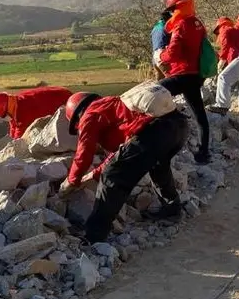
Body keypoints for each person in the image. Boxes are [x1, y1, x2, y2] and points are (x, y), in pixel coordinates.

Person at [58, 91, 188, 243]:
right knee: (158, 166)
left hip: (154, 132)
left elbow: (83, 155)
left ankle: (93, 236)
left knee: (112, 177)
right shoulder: (112, 104)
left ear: (77, 116)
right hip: (179, 125)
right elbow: (120, 154)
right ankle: (172, 209)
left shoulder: (90, 114)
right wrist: (92, 175)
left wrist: (71, 181)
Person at [156, 0, 211, 164]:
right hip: (196, 75)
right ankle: (204, 153)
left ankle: (158, 144)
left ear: (176, 7)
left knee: (152, 94)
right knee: (199, 115)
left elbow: (173, 53)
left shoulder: (180, 25)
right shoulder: (197, 23)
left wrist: (161, 55)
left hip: (182, 74)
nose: (171, 13)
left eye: (172, 9)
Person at [0, 86, 73, 139]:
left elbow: (19, 138)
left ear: (6, 110)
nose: (4, 118)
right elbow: (13, 122)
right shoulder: (15, 101)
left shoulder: (24, 112)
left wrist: (11, 147)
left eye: (2, 116)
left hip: (68, 103)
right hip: (63, 93)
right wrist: (11, 138)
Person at [150, 9, 172, 79]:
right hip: (162, 55)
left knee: (159, 81)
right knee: (171, 79)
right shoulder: (167, 27)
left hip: (155, 56)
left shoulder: (155, 28)